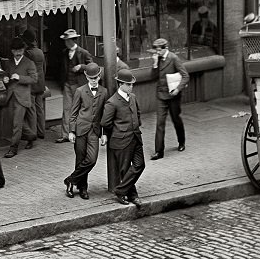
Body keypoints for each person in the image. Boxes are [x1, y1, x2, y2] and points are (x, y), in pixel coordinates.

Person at [101, 68, 145, 207]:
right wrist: (117, 132)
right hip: (121, 141)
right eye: (128, 84)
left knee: (139, 165)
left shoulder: (132, 97)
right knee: (125, 169)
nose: (131, 86)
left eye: (132, 84)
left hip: (135, 137)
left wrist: (136, 124)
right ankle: (132, 195)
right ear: (120, 84)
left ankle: (120, 190)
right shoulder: (112, 102)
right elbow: (105, 122)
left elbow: (137, 113)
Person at [64, 62, 108, 199]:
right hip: (80, 129)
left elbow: (106, 115)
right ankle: (82, 188)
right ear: (86, 77)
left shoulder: (104, 92)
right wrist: (71, 131)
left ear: (99, 76)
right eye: (91, 78)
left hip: (95, 130)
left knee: (92, 159)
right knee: (80, 159)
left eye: (96, 78)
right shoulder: (80, 91)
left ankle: (70, 180)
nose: (94, 81)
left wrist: (104, 133)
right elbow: (74, 113)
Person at [150, 37, 190, 159]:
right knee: (159, 123)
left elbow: (185, 76)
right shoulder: (158, 59)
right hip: (161, 95)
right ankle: (159, 151)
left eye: (159, 50)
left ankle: (181, 141)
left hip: (173, 95)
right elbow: (153, 77)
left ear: (165, 48)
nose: (157, 53)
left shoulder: (173, 58)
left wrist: (178, 89)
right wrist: (155, 64)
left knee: (176, 119)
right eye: (156, 50)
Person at [2, 37, 39, 157]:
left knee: (17, 124)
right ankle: (31, 136)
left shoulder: (29, 63)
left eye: (20, 51)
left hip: (22, 97)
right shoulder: (10, 62)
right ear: (12, 51)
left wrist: (20, 78)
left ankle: (13, 148)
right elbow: (7, 74)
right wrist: (6, 79)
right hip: (11, 95)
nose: (17, 53)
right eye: (15, 51)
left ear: (23, 50)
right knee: (13, 121)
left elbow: (34, 79)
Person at [56, 29, 93, 142]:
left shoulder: (84, 52)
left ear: (72, 40)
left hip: (79, 84)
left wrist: (81, 66)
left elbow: (92, 67)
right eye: (65, 41)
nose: (65, 43)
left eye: (67, 40)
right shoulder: (64, 52)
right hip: (67, 83)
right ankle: (65, 135)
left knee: (80, 109)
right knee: (67, 109)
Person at [21, 28, 47, 141]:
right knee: (40, 108)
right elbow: (44, 68)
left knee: (31, 110)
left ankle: (33, 133)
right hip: (40, 84)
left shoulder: (27, 53)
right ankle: (42, 131)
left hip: (31, 85)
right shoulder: (40, 51)